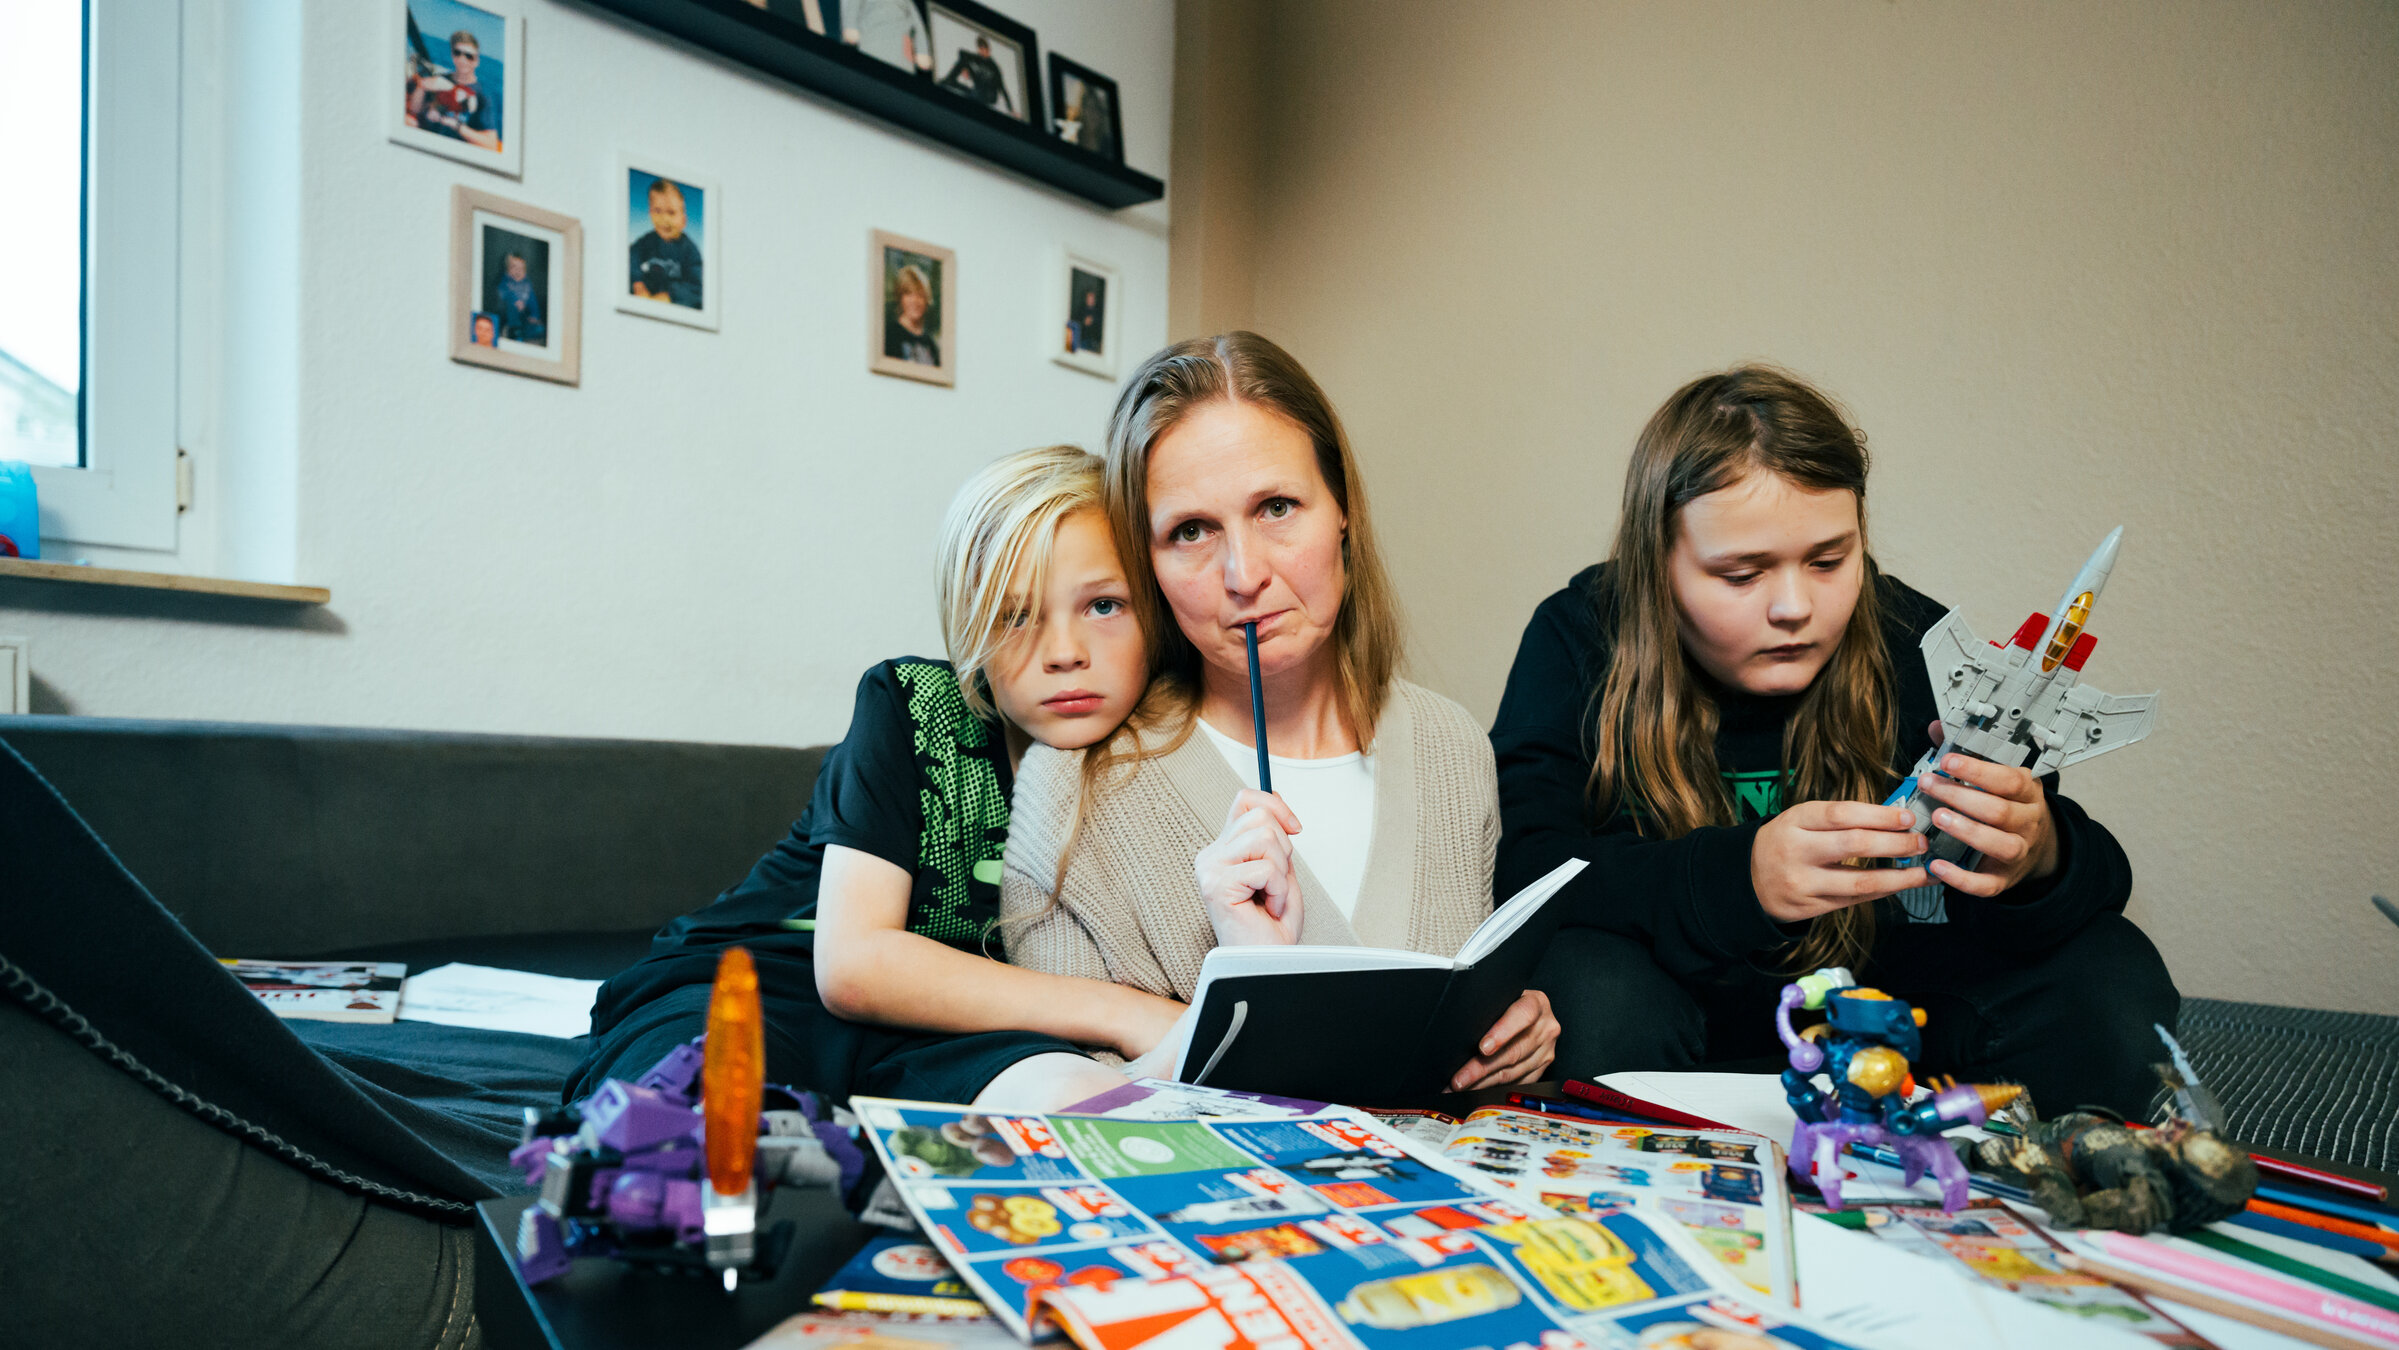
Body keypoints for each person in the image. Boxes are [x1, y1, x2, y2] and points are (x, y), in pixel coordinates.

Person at [1490, 364, 2178, 1116]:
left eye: (1828, 561)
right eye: (1740, 574)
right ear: (1659, 564)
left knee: (2111, 973)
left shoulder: (1910, 637)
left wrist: (2040, 852)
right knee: (1583, 981)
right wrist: (1737, 879)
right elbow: (1526, 870)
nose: (1795, 607)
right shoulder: (1580, 633)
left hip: (1884, 1027)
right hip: (1669, 1026)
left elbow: (2092, 883)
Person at [1001, 332, 1560, 1091]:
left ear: (1343, 513)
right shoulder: (1073, 789)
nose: (1243, 574)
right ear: (1147, 563)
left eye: (1275, 507)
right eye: (1189, 531)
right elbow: (1068, 1116)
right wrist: (1245, 991)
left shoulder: (1449, 745)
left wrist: (1512, 1035)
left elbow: (1459, 1024)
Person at [571, 446, 1185, 1112]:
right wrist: (1124, 1012)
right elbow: (855, 968)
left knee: (1091, 1105)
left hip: (954, 1029)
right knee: (700, 1111)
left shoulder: (1168, 749)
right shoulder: (911, 702)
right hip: (762, 979)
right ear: (967, 627)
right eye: (1013, 616)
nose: (1065, 654)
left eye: (1103, 606)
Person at [414, 31, 501, 151]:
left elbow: (491, 144)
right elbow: (415, 110)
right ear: (452, 55)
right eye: (457, 53)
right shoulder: (440, 80)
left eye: (468, 56)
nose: (462, 59)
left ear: (476, 61)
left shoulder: (483, 95)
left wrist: (456, 125)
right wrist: (421, 87)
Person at [629, 178, 704, 309]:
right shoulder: (647, 241)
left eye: (671, 213)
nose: (664, 219)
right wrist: (637, 283)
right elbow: (631, 259)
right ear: (650, 214)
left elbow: (697, 286)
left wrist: (670, 296)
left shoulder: (690, 251)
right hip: (646, 298)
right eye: (658, 211)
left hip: (673, 303)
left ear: (683, 220)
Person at [939, 36, 1015, 116]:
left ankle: (952, 85)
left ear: (988, 50)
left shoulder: (994, 67)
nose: (982, 53)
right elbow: (961, 52)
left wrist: (1010, 108)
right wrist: (965, 69)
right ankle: (948, 80)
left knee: (975, 91)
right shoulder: (977, 58)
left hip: (988, 95)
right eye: (980, 50)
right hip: (977, 90)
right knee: (964, 61)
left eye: (984, 50)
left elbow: (1002, 88)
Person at [884, 263, 940, 367]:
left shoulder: (931, 345)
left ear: (927, 300)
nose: (915, 301)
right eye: (909, 294)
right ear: (900, 298)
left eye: (920, 295)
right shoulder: (889, 335)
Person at [491, 252, 543, 345]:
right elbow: (504, 292)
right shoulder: (505, 282)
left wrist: (535, 315)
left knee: (534, 324)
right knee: (512, 308)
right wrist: (515, 300)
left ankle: (525, 333)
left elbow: (532, 300)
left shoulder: (527, 285)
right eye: (514, 267)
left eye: (521, 269)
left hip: (522, 313)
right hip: (505, 312)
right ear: (507, 270)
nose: (517, 271)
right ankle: (513, 329)